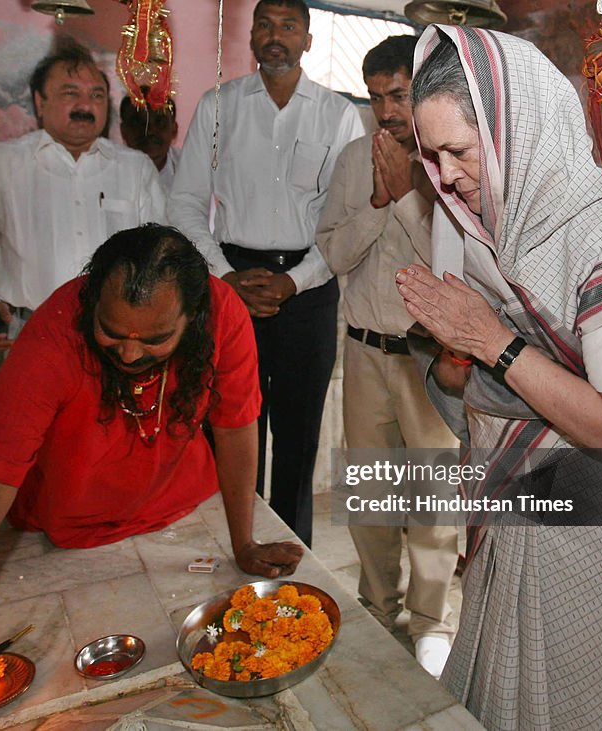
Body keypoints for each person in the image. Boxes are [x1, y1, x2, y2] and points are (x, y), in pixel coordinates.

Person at [0, 225, 303, 731]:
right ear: (90, 305)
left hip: (180, 503)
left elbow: (236, 424)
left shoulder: (224, 315)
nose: (129, 354)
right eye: (112, 332)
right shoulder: (53, 335)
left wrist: (243, 540)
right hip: (62, 526)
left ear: (193, 319)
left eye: (155, 339)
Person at [394, 25, 602, 728]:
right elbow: (506, 376)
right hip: (526, 510)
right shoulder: (504, 223)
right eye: (429, 154)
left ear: (513, 128)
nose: (442, 176)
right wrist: (459, 364)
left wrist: (491, 340)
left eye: (457, 152)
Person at [169, 0, 365, 546]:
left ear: (307, 38)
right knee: (233, 427)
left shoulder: (337, 114)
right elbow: (184, 203)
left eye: (288, 26)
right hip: (230, 280)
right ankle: (240, 543)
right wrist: (224, 275)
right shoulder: (217, 107)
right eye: (264, 25)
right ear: (251, 36)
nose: (274, 36)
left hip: (308, 291)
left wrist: (293, 281)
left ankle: (291, 553)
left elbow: (346, 218)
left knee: (299, 437)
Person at [315, 35, 459, 679]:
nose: (388, 112)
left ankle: (432, 626)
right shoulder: (352, 160)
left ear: (423, 88)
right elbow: (334, 254)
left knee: (433, 501)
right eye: (376, 99)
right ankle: (378, 603)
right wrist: (377, 202)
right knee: (370, 498)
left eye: (399, 95)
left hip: (431, 357)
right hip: (366, 350)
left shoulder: (449, 161)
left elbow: (453, 265)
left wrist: (405, 193)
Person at [0, 41, 166, 351]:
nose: (85, 106)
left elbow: (160, 256)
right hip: (29, 338)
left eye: (96, 96)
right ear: (40, 102)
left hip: (118, 344)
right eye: (70, 93)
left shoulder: (135, 169)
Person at [119, 87, 180, 193]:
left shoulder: (191, 170)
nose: (150, 131)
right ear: (123, 131)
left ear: (174, 130)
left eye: (160, 122)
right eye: (138, 122)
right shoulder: (106, 172)